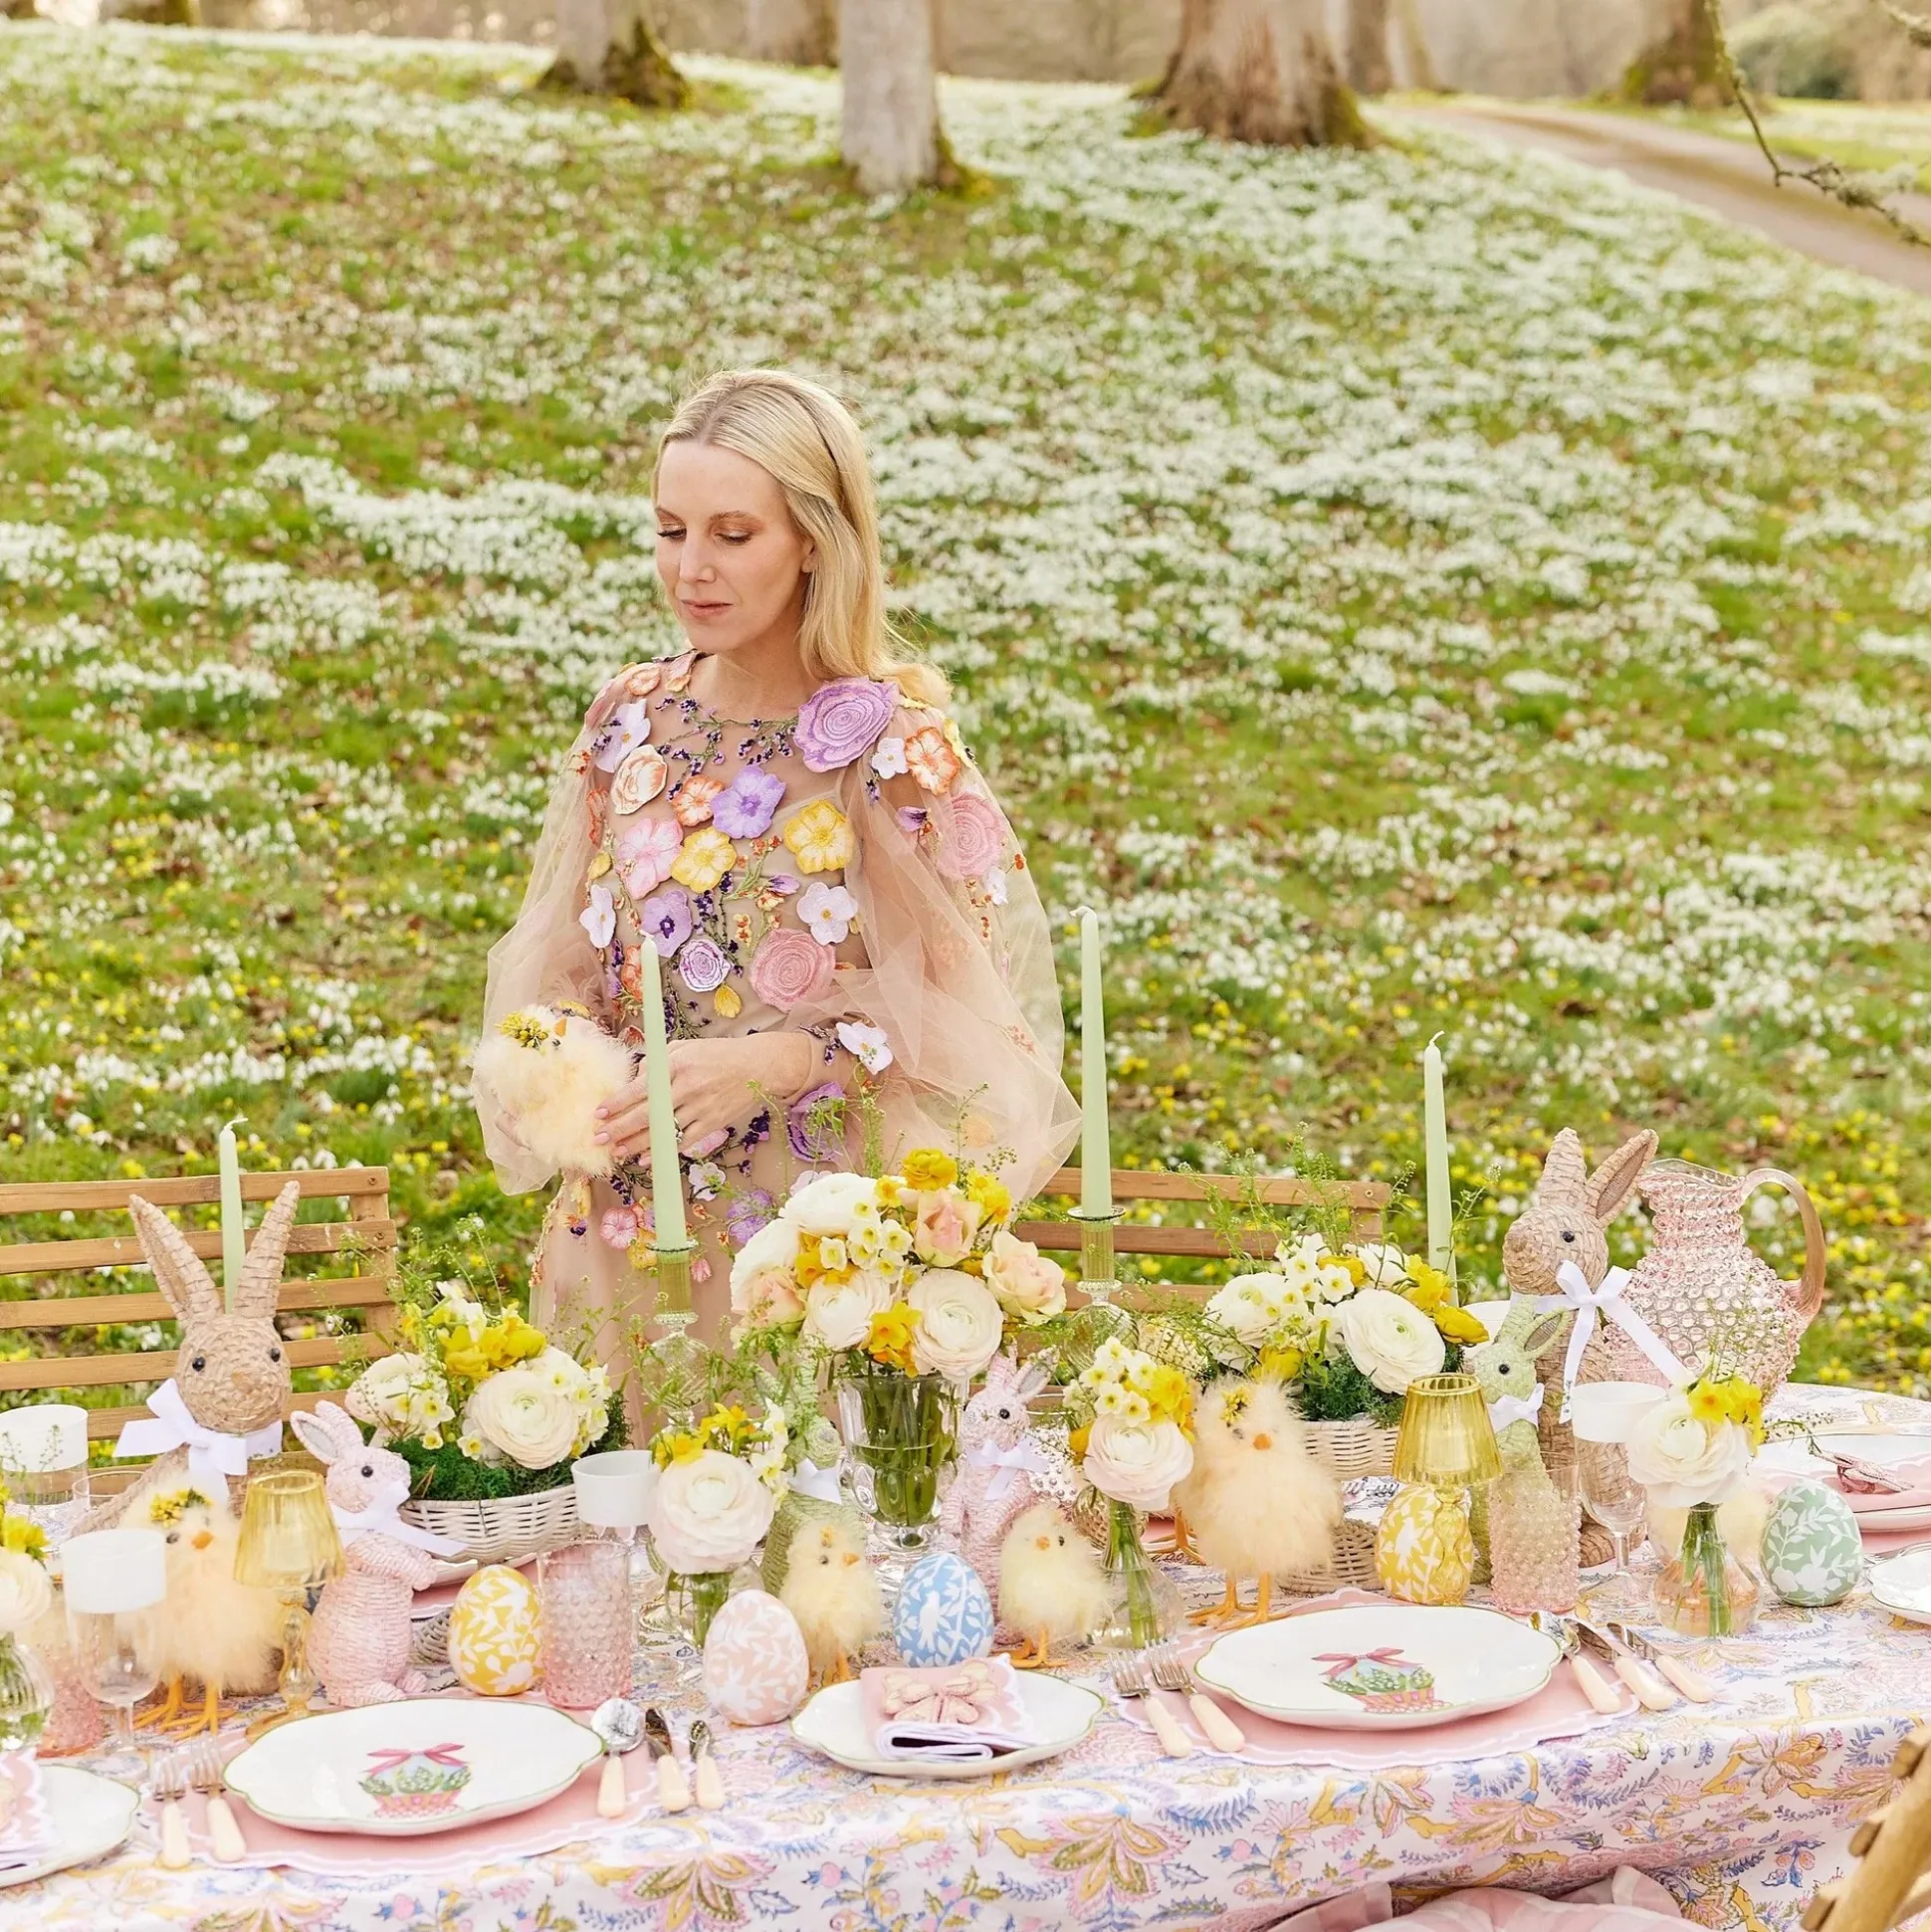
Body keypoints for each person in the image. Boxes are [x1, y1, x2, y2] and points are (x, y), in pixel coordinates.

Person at [474, 368, 1080, 1358]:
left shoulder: (893, 752)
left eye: (732, 534)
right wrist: (564, 1056)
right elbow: (564, 967)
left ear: (814, 540)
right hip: (624, 1230)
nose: (691, 570)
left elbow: (971, 1029)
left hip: (820, 1252)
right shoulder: (627, 720)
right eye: (670, 530)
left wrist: (780, 1062)